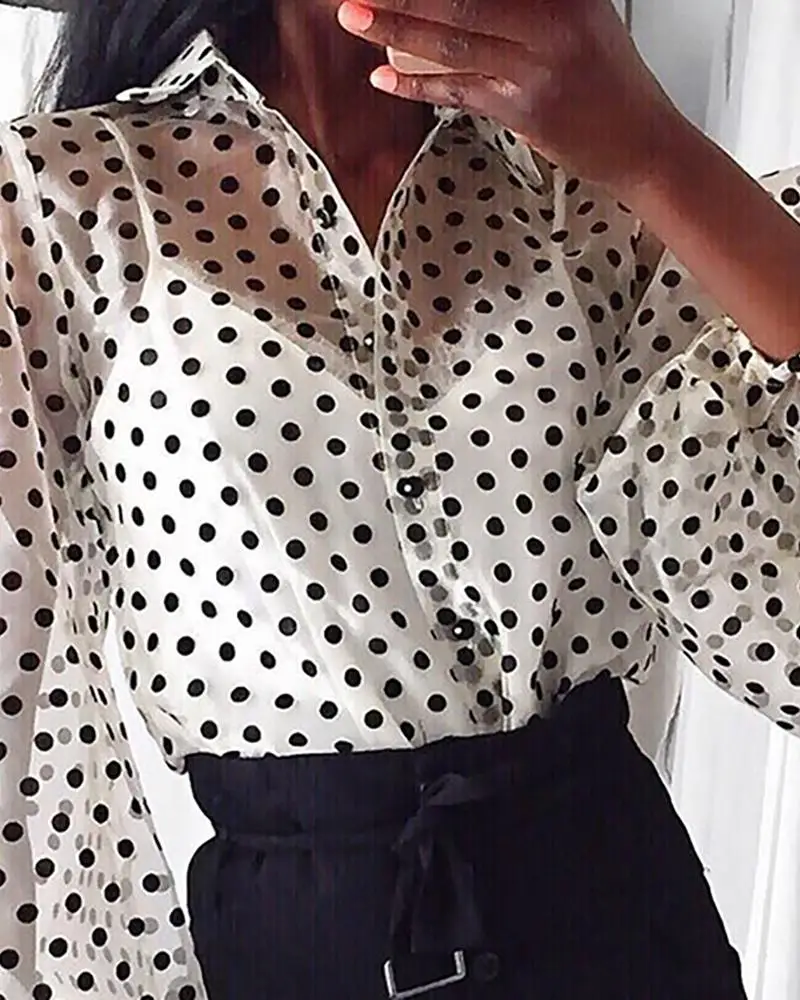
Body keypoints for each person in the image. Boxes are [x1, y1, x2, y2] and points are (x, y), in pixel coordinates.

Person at [2, 0, 800, 997]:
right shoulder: (63, 197)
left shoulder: (572, 166)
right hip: (301, 949)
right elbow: (21, 716)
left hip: (623, 926)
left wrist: (654, 154)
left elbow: (769, 605)